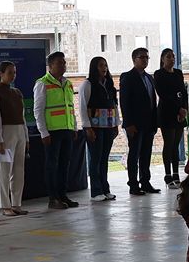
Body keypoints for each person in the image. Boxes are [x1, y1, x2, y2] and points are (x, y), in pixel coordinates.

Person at [35, 51, 80, 211]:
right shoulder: (42, 83)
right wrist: (43, 132)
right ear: (50, 66)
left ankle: (62, 195)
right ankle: (53, 198)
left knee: (64, 165)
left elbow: (70, 107)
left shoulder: (68, 83)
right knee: (52, 166)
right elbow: (38, 110)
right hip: (52, 131)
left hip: (67, 129)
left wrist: (74, 127)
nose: (63, 65)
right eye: (59, 63)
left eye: (64, 62)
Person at [0, 60, 28, 216]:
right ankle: (5, 205)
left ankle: (16, 203)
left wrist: (26, 137)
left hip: (19, 131)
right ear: (1, 74)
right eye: (9, 72)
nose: (13, 75)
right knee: (5, 170)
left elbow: (22, 117)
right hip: (5, 132)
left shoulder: (17, 92)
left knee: (19, 169)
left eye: (14, 72)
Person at [78, 55, 119, 202]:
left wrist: (116, 124)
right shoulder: (87, 84)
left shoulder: (109, 84)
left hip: (108, 125)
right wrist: (87, 127)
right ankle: (96, 191)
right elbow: (83, 107)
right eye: (101, 65)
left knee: (104, 158)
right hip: (94, 127)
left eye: (105, 65)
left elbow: (114, 105)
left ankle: (105, 189)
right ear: (94, 68)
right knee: (95, 158)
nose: (104, 68)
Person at [120, 46, 160, 196]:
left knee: (146, 154)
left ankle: (145, 182)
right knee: (134, 154)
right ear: (134, 59)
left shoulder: (149, 78)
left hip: (149, 123)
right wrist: (128, 123)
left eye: (147, 57)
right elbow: (124, 102)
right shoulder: (128, 77)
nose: (145, 60)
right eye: (142, 57)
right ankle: (133, 184)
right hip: (135, 124)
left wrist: (155, 122)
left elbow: (152, 101)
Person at [155, 48, 189, 188]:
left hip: (180, 113)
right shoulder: (159, 74)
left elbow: (183, 92)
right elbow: (163, 94)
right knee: (168, 144)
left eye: (173, 56)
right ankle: (167, 175)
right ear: (162, 59)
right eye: (168, 56)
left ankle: (176, 174)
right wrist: (177, 108)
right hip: (167, 112)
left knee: (176, 144)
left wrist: (184, 108)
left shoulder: (178, 73)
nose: (172, 59)